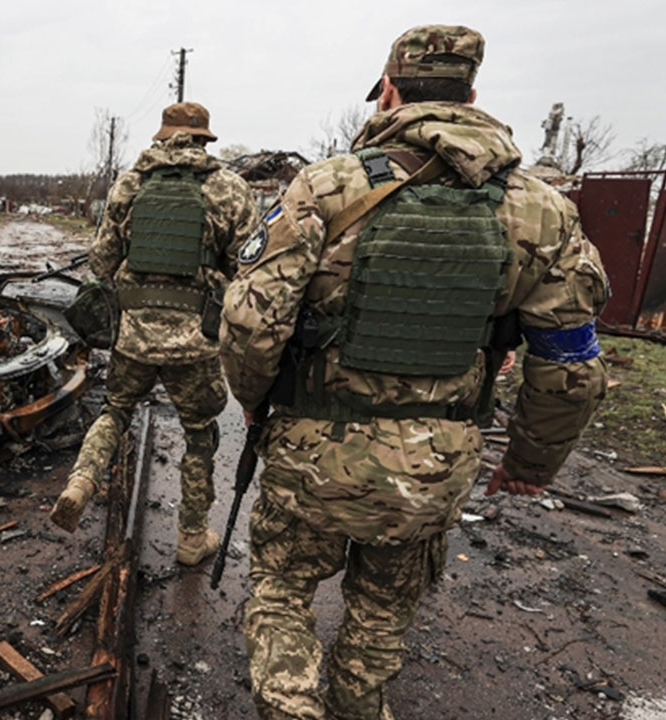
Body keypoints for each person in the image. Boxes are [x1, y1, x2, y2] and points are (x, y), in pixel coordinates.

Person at [220, 25, 609, 719]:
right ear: (472, 95)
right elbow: (570, 367)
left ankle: (289, 708)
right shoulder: (544, 211)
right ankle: (360, 705)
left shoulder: (325, 188)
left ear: (390, 92)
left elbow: (251, 322)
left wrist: (254, 400)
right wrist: (529, 462)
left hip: (312, 455)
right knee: (381, 611)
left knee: (281, 590)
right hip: (435, 466)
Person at [50, 101, 258, 566]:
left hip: (133, 337)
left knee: (115, 411)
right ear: (205, 140)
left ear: (162, 138)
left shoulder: (129, 184)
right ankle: (190, 537)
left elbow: (101, 263)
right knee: (200, 433)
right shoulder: (228, 188)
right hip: (196, 343)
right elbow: (248, 268)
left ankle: (81, 481)